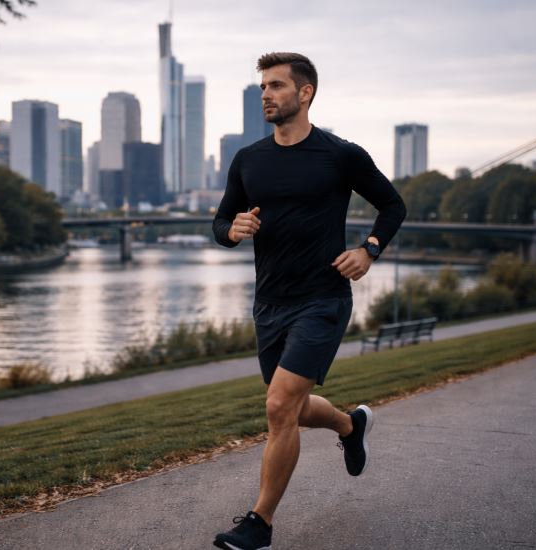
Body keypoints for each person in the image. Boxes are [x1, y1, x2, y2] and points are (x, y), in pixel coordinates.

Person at [211, 52, 407, 550]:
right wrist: (231, 231)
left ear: (305, 93)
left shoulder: (340, 155)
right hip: (270, 303)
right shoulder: (248, 160)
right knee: (292, 411)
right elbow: (219, 223)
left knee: (278, 405)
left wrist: (369, 250)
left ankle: (260, 522)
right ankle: (350, 423)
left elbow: (392, 204)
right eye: (262, 88)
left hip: (322, 299)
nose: (266, 95)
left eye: (276, 86)